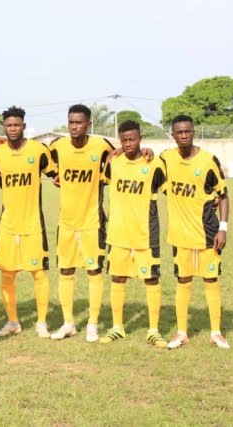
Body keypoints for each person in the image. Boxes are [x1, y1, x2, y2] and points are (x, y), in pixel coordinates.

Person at [161, 115, 230, 349]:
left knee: (211, 279)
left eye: (187, 131)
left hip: (207, 233)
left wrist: (223, 228)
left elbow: (223, 195)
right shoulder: (166, 158)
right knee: (183, 281)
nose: (183, 135)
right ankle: (181, 333)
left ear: (193, 132)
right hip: (180, 235)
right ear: (173, 135)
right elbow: (147, 166)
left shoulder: (208, 160)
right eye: (179, 132)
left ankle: (216, 333)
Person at [48, 104, 114, 342]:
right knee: (65, 270)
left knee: (94, 271)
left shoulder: (102, 146)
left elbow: (122, 155)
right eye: (71, 122)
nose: (74, 126)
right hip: (66, 222)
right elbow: (40, 161)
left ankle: (92, 325)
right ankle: (68, 323)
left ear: (89, 124)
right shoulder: (57, 146)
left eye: (78, 122)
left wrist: (144, 150)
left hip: (92, 222)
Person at [0, 106, 58, 338]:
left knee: (38, 273)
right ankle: (13, 322)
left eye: (16, 125)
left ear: (24, 126)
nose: (12, 129)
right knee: (7, 275)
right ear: (4, 127)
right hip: (8, 225)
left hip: (33, 225)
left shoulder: (38, 151)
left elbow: (57, 173)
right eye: (9, 125)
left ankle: (41, 322)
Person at [99, 121, 167, 347]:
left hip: (146, 234)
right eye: (124, 140)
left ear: (140, 139)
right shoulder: (113, 162)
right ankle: (117, 327)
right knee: (118, 277)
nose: (128, 143)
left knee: (151, 278)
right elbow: (99, 180)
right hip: (118, 233)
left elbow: (171, 189)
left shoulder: (154, 163)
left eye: (132, 139)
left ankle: (154, 330)